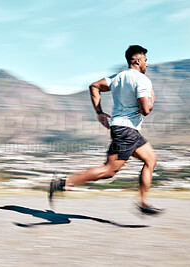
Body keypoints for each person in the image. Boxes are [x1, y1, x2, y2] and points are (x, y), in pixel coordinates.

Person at [49, 45, 162, 215]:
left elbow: (94, 86)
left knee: (151, 159)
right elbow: (146, 110)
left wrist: (99, 112)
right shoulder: (142, 80)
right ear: (138, 60)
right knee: (108, 171)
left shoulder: (117, 77)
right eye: (146, 60)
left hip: (124, 129)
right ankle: (63, 183)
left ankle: (144, 202)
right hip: (127, 131)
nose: (147, 64)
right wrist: (152, 98)